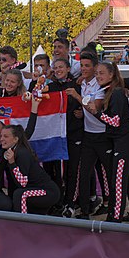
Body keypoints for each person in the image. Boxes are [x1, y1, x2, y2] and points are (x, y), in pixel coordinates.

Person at [84, 62, 129, 223]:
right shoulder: (109, 91)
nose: (98, 76)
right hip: (119, 139)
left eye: (102, 73)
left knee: (118, 180)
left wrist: (96, 112)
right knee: (126, 177)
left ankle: (115, 217)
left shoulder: (117, 93)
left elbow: (115, 121)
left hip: (124, 140)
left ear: (111, 75)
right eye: (97, 73)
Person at [66, 52, 111, 220]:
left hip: (103, 134)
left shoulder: (100, 84)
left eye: (87, 66)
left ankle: (111, 206)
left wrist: (78, 98)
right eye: (82, 65)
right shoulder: (81, 83)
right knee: (84, 173)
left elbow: (94, 107)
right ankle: (84, 211)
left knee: (108, 173)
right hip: (88, 134)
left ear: (95, 67)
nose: (83, 69)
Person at [47, 58, 84, 218]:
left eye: (61, 67)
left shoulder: (77, 86)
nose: (58, 70)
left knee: (72, 170)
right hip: (57, 135)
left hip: (74, 133)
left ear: (68, 68)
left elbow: (88, 103)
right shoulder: (50, 87)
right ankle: (59, 202)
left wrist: (82, 112)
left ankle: (71, 202)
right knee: (58, 172)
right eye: (55, 68)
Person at [2, 124, 60, 214]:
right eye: (1, 136)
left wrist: (12, 163)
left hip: (48, 192)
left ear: (16, 139)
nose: (1, 139)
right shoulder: (13, 151)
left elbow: (22, 183)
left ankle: (22, 224)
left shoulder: (22, 153)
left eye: (6, 136)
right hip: (34, 190)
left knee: (20, 194)